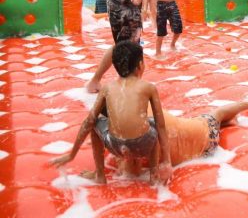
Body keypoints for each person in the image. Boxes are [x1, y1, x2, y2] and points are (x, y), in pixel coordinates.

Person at [51, 41, 172, 185]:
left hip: (115, 145)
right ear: (140, 65)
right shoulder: (149, 87)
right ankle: (154, 176)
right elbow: (161, 126)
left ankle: (100, 175)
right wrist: (166, 161)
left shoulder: (107, 88)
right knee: (153, 124)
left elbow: (88, 121)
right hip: (143, 145)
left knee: (95, 123)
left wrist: (71, 155)